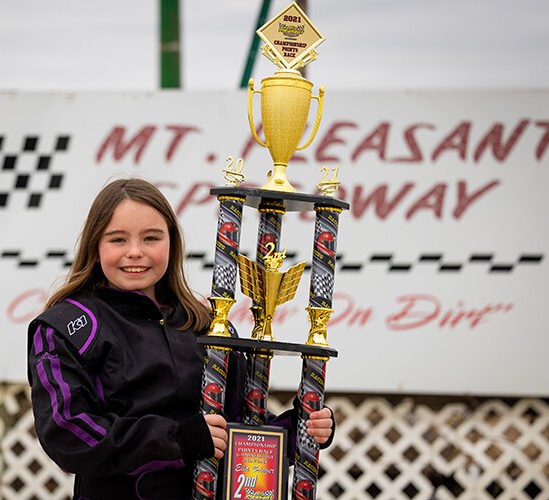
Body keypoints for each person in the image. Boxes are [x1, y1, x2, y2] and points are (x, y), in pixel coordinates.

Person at [27, 178, 334, 499]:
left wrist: (299, 428)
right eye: (118, 239)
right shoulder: (64, 327)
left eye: (151, 238)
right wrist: (177, 439)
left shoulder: (206, 324)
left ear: (171, 243)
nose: (135, 252)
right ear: (95, 245)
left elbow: (243, 430)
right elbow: (68, 434)